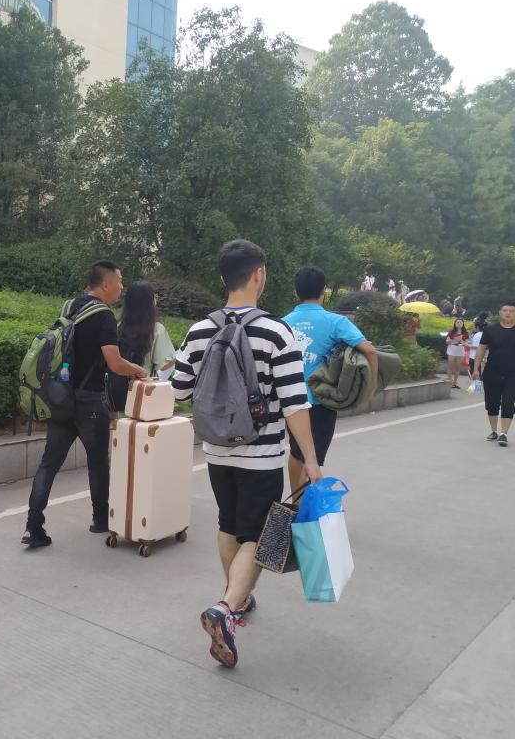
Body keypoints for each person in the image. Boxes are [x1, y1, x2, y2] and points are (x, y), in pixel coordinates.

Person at [172, 240, 321, 669]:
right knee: (259, 535)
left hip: (217, 451)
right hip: (261, 454)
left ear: (223, 277)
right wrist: (310, 460)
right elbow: (295, 404)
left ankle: (236, 600)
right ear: (259, 275)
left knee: (228, 524)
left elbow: (179, 390)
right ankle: (225, 608)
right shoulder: (277, 332)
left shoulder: (200, 329)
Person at [22, 261, 149, 547]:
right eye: (119, 281)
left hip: (61, 398)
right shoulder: (104, 316)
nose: (121, 287)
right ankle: (100, 519)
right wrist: (138, 371)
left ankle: (33, 526)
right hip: (89, 401)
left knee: (48, 463)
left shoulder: (69, 307)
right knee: (97, 463)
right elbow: (114, 363)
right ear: (105, 284)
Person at [284, 267, 379, 486]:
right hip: (321, 399)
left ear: (296, 292)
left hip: (291, 399)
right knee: (312, 456)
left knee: (298, 450)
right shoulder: (336, 322)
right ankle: (304, 502)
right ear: (323, 291)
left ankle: (296, 500)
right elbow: (370, 351)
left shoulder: (283, 323)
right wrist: (371, 385)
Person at [471, 301, 515, 447]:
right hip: (491, 372)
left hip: (512, 373)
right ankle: (494, 431)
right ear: (500, 313)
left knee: (508, 402)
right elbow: (481, 349)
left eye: (511, 311)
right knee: (491, 403)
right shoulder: (490, 330)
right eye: (505, 310)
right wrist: (476, 369)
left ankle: (503, 433)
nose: (508, 313)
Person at [107, 281, 176, 412]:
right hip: (143, 398)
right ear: (150, 303)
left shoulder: (116, 327)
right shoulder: (157, 330)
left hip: (114, 397)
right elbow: (166, 366)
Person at [445, 318, 469, 389]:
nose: (459, 324)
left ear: (463, 324)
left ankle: (455, 382)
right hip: (452, 349)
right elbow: (447, 341)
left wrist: (462, 341)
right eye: (457, 322)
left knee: (458, 367)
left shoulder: (465, 332)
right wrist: (454, 340)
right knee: (450, 366)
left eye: (460, 322)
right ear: (455, 324)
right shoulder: (451, 332)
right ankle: (449, 381)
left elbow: (466, 343)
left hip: (460, 350)